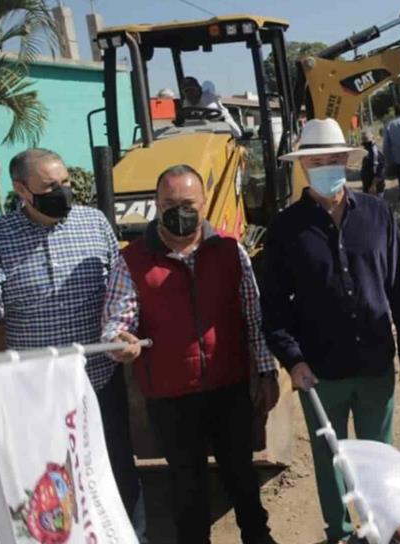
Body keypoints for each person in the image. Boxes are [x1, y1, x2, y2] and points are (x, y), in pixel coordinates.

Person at [0, 148, 144, 536]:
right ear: (22, 189)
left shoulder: (95, 224)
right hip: (36, 392)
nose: (63, 192)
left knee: (115, 472)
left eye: (67, 183)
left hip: (98, 381)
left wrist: (122, 333)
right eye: (50, 187)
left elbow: (119, 295)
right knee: (51, 482)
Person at [262, 119, 400, 544]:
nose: (327, 166)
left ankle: (382, 527)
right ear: (304, 167)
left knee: (377, 455)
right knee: (330, 457)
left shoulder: (377, 213)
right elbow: (273, 306)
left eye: (335, 159)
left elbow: (399, 285)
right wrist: (292, 360)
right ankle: (341, 531)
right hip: (319, 369)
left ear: (348, 163)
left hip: (374, 362)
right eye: (318, 161)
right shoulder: (286, 228)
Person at [103, 164, 278, 544]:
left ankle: (257, 536)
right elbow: (118, 321)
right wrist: (122, 341)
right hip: (170, 395)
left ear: (204, 204)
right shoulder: (132, 261)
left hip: (228, 385)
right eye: (168, 203)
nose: (178, 211)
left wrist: (266, 373)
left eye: (187, 203)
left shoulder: (231, 252)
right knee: (186, 482)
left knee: (241, 473)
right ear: (156, 205)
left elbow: (253, 316)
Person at [360, 129, 386, 195]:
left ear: (373, 138)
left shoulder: (376, 153)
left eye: (366, 139)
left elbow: (380, 172)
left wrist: (373, 186)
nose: (364, 141)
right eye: (363, 139)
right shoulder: (367, 151)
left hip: (375, 188)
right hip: (367, 186)